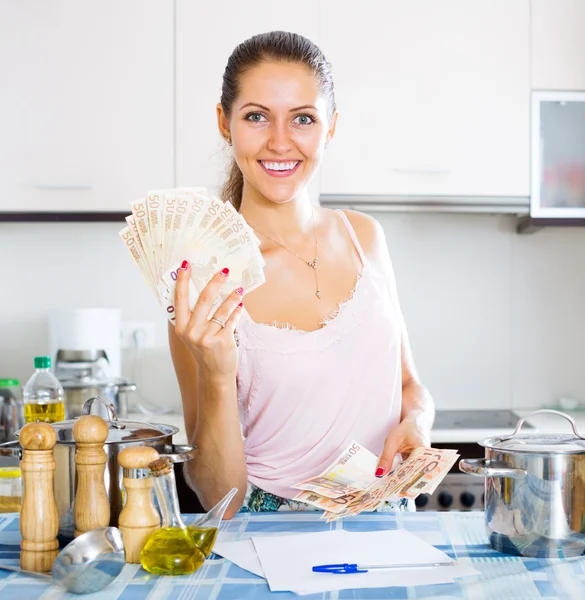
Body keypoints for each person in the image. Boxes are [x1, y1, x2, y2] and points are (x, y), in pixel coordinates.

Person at [169, 31, 435, 518]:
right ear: (224, 123)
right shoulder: (204, 285)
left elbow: (409, 386)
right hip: (267, 543)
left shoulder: (366, 236)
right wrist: (217, 370)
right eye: (256, 117)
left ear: (330, 127)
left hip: (388, 530)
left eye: (303, 119)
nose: (279, 142)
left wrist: (417, 420)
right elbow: (215, 496)